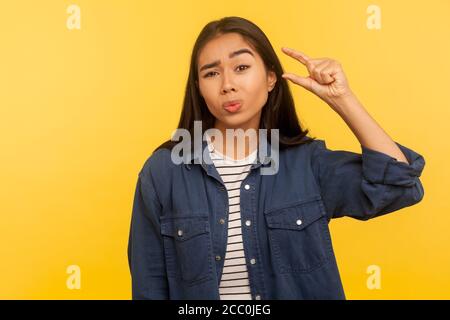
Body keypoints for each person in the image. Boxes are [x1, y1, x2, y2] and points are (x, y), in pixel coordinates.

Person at [127, 16, 425, 300]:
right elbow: (149, 285)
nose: (227, 84)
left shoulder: (307, 163)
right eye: (211, 73)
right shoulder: (163, 172)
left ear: (271, 78)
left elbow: (399, 186)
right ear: (199, 88)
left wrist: (342, 98)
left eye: (241, 67)